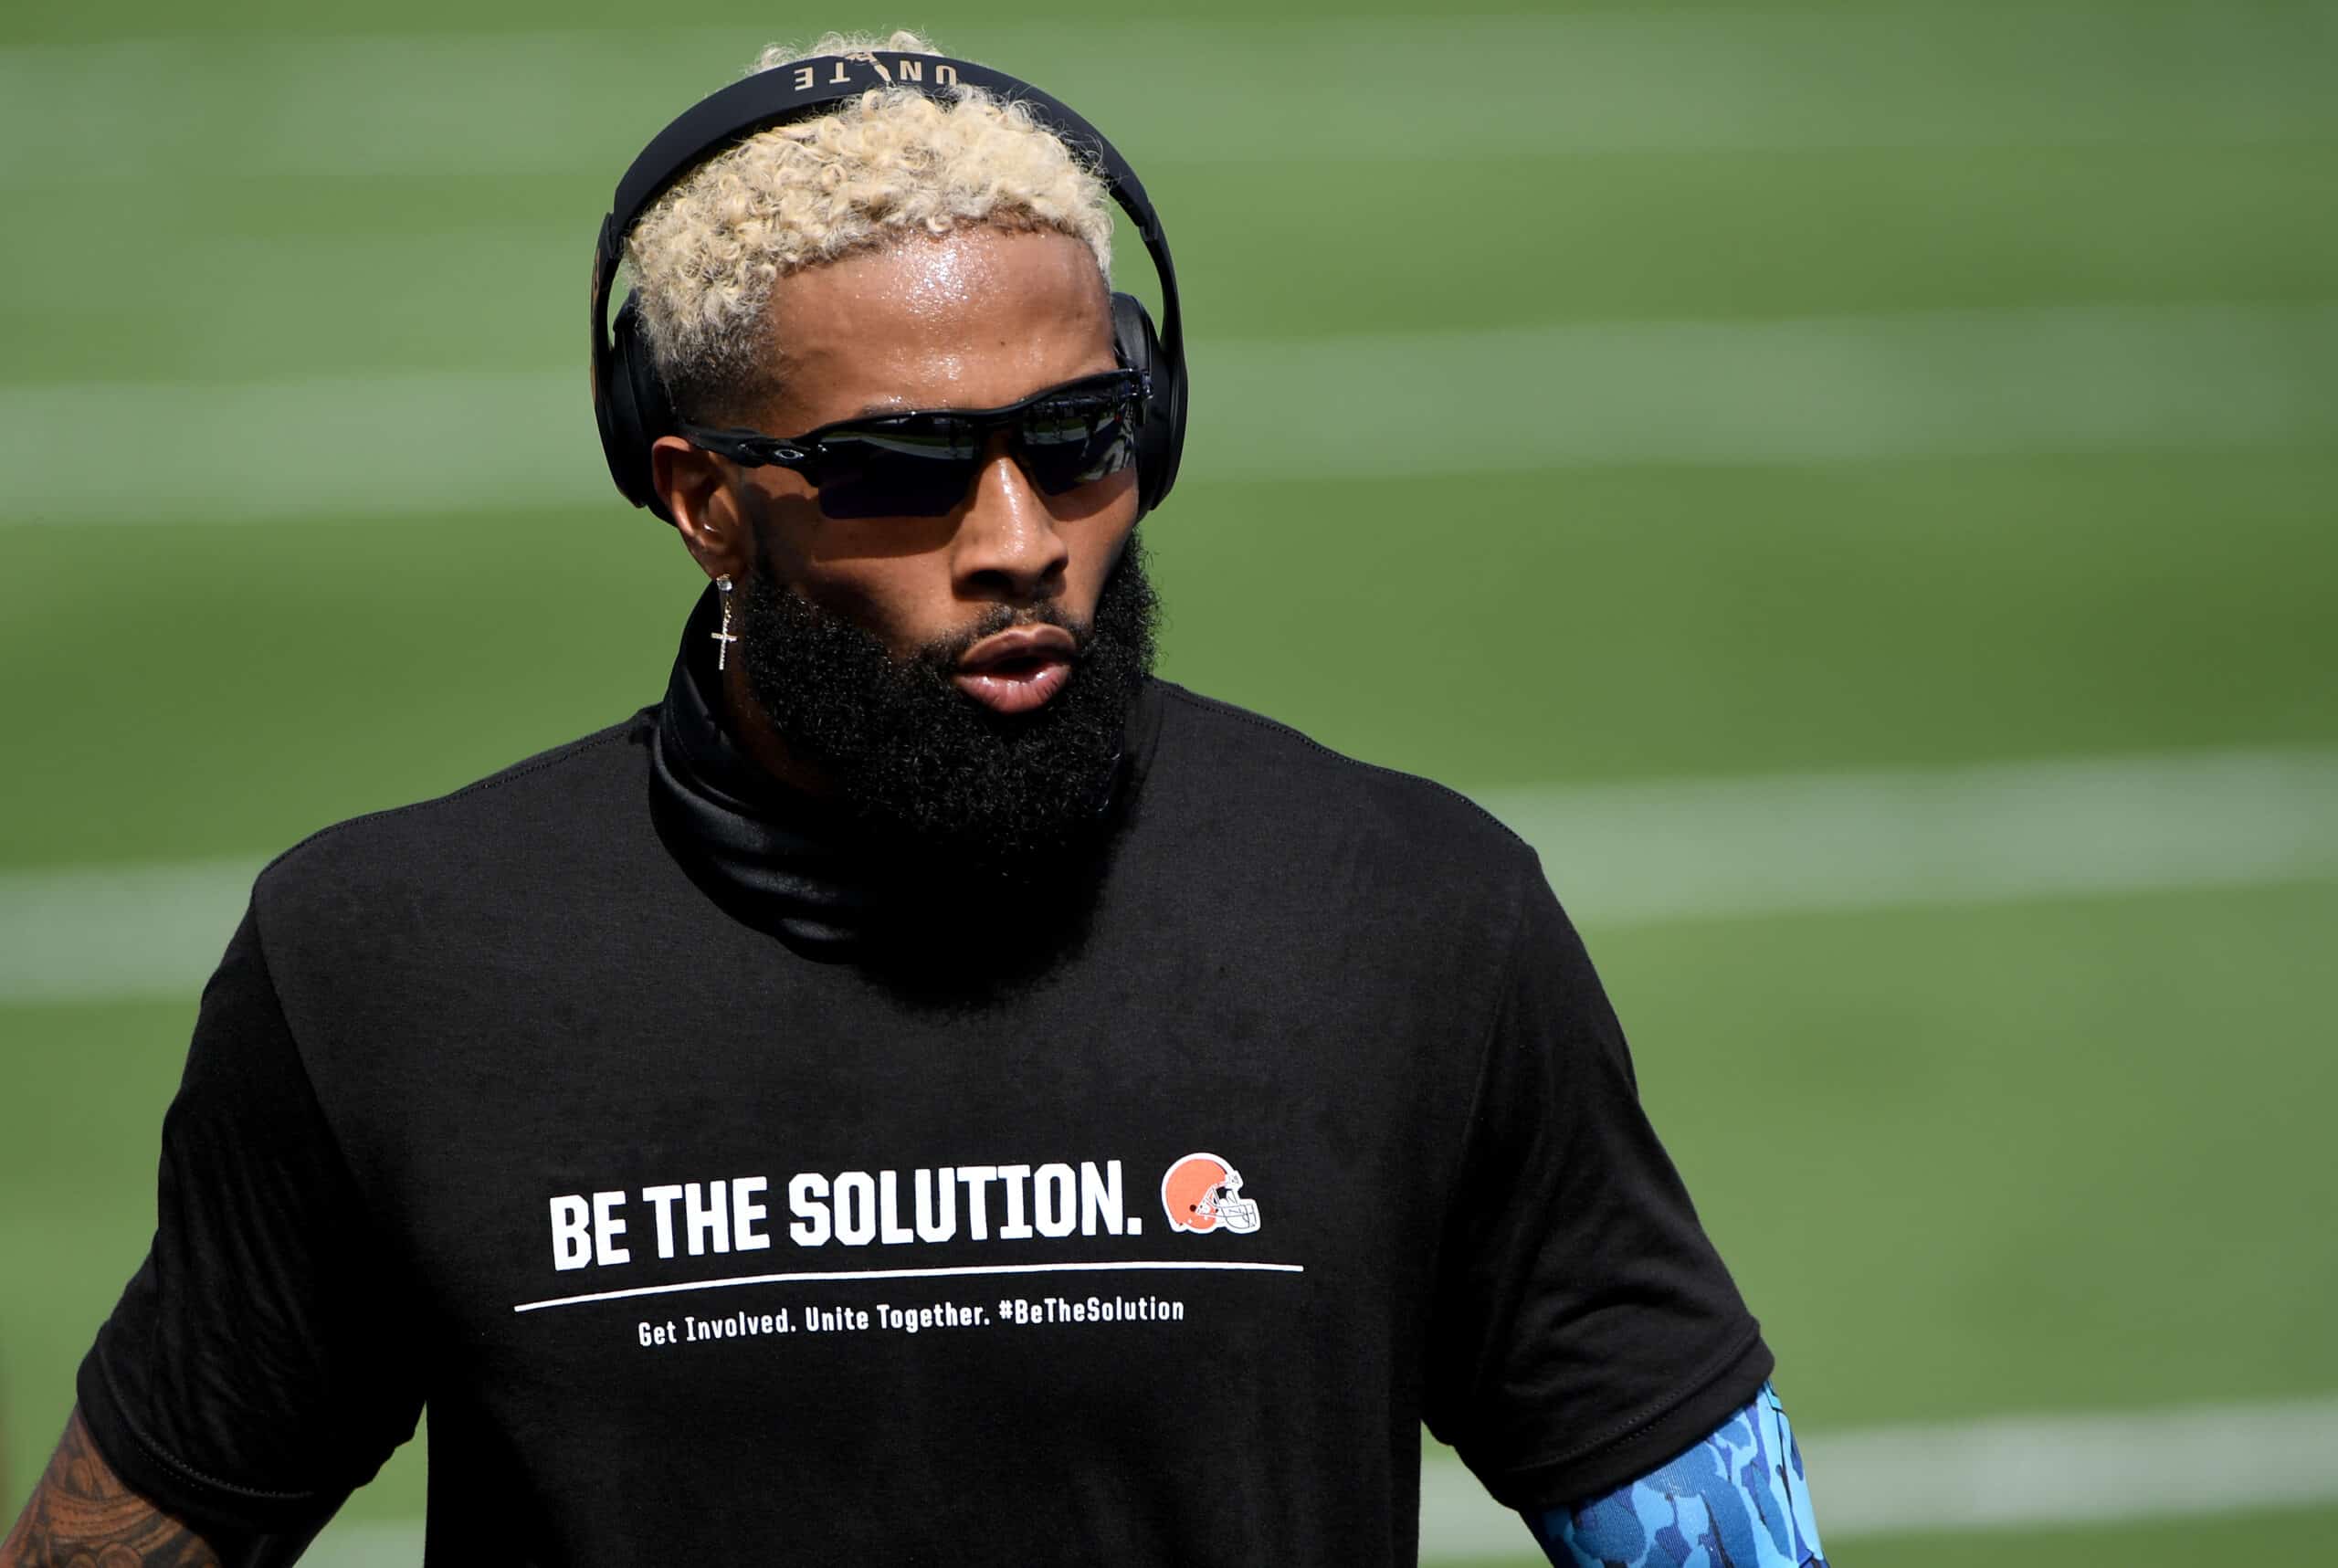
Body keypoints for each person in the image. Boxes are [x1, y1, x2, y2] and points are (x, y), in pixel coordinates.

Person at [3, 32, 1827, 1568]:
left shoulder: (1415, 914)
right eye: (899, 470)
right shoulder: (387, 963)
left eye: (1082, 436)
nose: (1019, 540)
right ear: (700, 498)